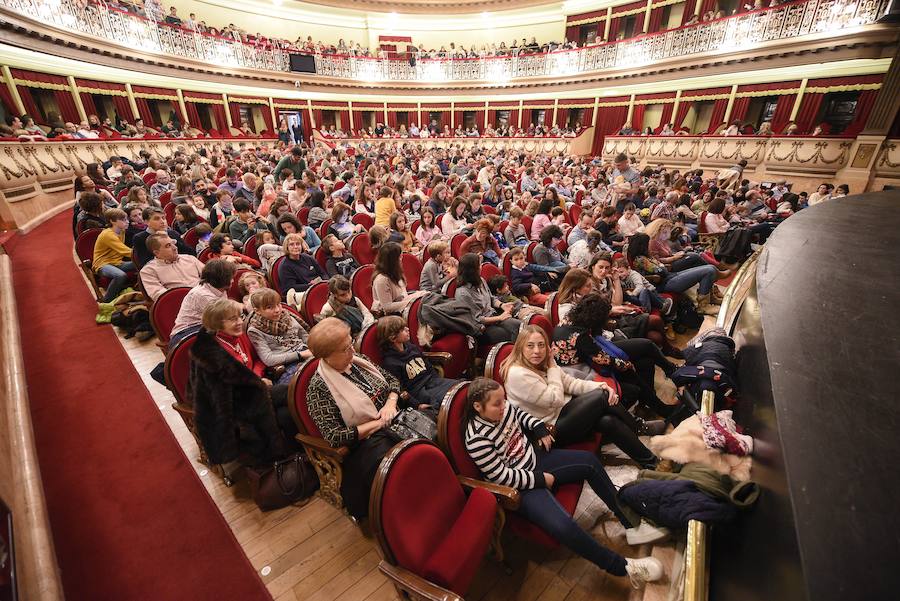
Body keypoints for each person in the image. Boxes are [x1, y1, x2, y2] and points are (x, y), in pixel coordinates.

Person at [463, 378, 664, 588]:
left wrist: (539, 427)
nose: (504, 406)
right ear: (478, 407)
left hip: (534, 459)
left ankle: (630, 523)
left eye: (504, 400)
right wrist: (540, 480)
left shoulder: (503, 408)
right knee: (564, 526)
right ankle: (623, 567)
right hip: (519, 487)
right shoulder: (476, 438)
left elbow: (519, 413)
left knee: (589, 462)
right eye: (497, 404)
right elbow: (500, 476)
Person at [501, 326, 662, 466]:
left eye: (541, 345)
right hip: (550, 431)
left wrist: (601, 385)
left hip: (564, 413)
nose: (537, 351)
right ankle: (639, 427)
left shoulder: (542, 363)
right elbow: (555, 398)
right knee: (601, 396)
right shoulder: (517, 374)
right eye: (530, 346)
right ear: (520, 348)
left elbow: (570, 383)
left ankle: (651, 462)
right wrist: (551, 367)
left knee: (607, 421)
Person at [305, 318, 405, 518]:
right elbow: (335, 436)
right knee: (398, 465)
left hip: (397, 416)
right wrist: (379, 422)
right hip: (367, 444)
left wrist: (390, 403)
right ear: (325, 356)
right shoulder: (318, 388)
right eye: (345, 349)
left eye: (351, 343)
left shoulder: (358, 360)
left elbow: (392, 380)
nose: (352, 351)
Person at [188, 299, 293, 470]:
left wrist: (257, 378)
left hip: (255, 390)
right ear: (216, 323)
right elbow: (219, 396)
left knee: (286, 413)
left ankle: (293, 453)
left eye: (240, 317)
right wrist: (257, 383)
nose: (239, 322)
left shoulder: (239, 336)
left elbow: (258, 360)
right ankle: (278, 460)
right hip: (233, 406)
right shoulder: (208, 356)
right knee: (289, 393)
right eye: (232, 319)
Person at [552, 294, 684, 424]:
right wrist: (626, 364)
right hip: (581, 371)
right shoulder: (579, 336)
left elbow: (597, 350)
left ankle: (657, 399)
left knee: (646, 350)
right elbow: (604, 360)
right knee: (635, 366)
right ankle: (662, 403)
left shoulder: (571, 317)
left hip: (590, 356)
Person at [376, 315, 461, 409]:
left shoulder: (412, 347)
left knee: (461, 388)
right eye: (403, 330)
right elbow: (400, 391)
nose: (408, 329)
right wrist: (417, 405)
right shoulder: (390, 363)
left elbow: (427, 365)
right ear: (393, 338)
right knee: (453, 401)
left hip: (433, 381)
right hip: (419, 392)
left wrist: (438, 380)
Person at [628, 233, 720, 315]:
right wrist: (661, 265)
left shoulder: (646, 257)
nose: (649, 245)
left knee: (710, 268)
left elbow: (662, 269)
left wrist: (661, 266)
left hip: (669, 277)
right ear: (642, 246)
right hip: (663, 284)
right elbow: (662, 271)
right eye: (647, 243)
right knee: (709, 271)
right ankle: (703, 307)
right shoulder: (640, 260)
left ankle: (711, 296)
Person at [246, 288, 313, 385]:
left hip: (307, 351)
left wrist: (314, 348)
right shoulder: (254, 330)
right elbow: (268, 359)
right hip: (287, 364)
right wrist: (300, 354)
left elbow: (304, 335)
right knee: (305, 381)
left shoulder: (286, 315)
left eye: (278, 304)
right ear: (258, 311)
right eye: (270, 307)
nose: (277, 310)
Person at [455, 253, 522, 344]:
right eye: (479, 265)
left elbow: (491, 298)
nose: (481, 267)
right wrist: (500, 318)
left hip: (493, 316)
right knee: (509, 333)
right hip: (481, 328)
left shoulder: (481, 280)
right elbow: (476, 320)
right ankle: (511, 356)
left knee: (519, 326)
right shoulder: (463, 293)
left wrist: (502, 305)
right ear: (472, 270)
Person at [170, 259, 237, 346]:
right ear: (222, 279)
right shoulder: (203, 295)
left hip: (206, 328)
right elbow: (226, 319)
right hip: (186, 335)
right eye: (230, 278)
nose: (233, 281)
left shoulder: (220, 288)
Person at [140, 233, 204, 301]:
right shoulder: (148, 271)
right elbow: (159, 295)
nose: (175, 248)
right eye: (168, 246)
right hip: (180, 303)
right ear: (156, 252)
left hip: (205, 296)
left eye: (173, 243)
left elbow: (210, 277)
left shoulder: (190, 258)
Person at [92, 208, 135, 302]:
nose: (127, 222)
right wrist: (141, 254)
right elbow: (124, 251)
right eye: (123, 220)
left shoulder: (122, 231)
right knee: (120, 275)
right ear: (112, 221)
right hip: (103, 264)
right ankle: (106, 300)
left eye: (127, 219)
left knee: (142, 263)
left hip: (117, 262)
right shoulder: (108, 234)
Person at [371, 242, 426, 315]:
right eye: (400, 257)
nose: (401, 260)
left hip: (403, 307)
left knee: (427, 295)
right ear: (393, 261)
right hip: (390, 316)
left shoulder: (395, 272)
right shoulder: (381, 280)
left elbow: (403, 296)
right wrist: (412, 302)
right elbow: (387, 307)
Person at [278, 233, 327, 303]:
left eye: (298, 244)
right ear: (286, 247)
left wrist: (324, 283)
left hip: (318, 286)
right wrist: (311, 286)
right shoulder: (284, 266)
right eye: (291, 244)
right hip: (303, 294)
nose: (295, 247)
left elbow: (323, 273)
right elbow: (289, 287)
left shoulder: (308, 257)